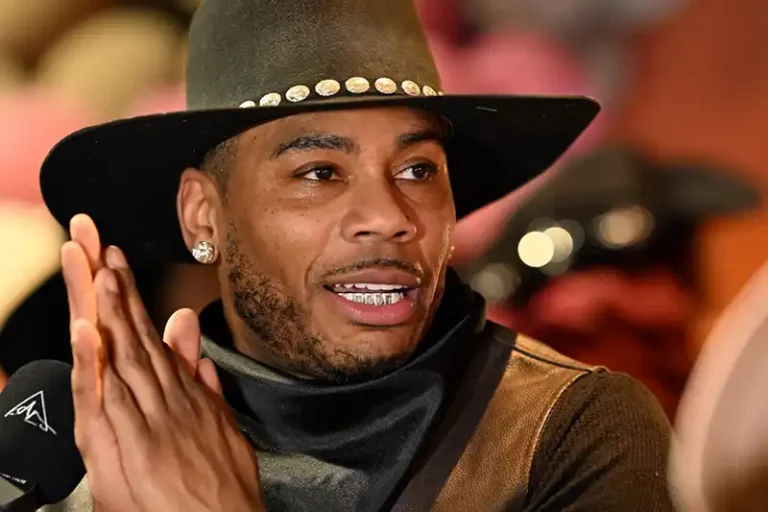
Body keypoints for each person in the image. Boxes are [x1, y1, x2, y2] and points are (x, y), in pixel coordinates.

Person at [40, 0, 674, 510]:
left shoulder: (565, 430)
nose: (391, 217)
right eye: (319, 172)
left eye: (418, 169)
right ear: (203, 213)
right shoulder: (103, 451)